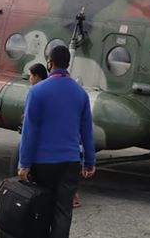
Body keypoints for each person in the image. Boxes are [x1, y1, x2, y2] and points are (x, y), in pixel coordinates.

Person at [18, 45, 95, 238]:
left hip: (43, 163)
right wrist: (90, 162)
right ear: (68, 64)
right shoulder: (81, 94)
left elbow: (30, 130)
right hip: (70, 162)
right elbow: (87, 131)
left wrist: (24, 164)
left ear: (49, 63)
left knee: (41, 209)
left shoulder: (37, 91)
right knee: (63, 213)